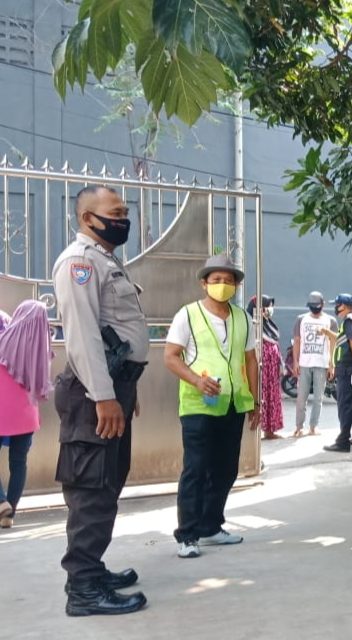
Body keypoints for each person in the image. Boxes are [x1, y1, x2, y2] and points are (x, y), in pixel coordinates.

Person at [52, 185, 148, 616]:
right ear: (88, 218)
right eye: (116, 212)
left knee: (108, 481)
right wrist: (105, 396)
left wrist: (127, 391)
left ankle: (92, 567)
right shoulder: (80, 263)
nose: (123, 219)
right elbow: (83, 335)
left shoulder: (106, 260)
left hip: (113, 387)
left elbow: (121, 333)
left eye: (125, 211)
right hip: (94, 392)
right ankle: (83, 589)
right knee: (92, 487)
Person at [164, 254, 259, 559]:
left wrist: (256, 400)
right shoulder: (187, 315)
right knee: (196, 469)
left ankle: (211, 526)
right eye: (216, 280)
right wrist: (196, 380)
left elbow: (250, 360)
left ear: (236, 285)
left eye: (228, 281)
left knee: (226, 468)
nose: (222, 285)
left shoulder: (243, 317)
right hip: (198, 406)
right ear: (204, 283)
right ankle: (187, 534)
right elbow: (170, 356)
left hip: (233, 403)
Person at [0, 300, 53, 529]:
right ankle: (9, 514)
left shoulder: (4, 341)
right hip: (26, 414)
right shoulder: (42, 348)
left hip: (2, 409)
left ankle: (1, 501)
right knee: (19, 462)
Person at [323, 293, 352, 452]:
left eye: (338, 305)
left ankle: (343, 441)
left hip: (349, 370)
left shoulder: (349, 321)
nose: (336, 308)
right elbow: (345, 340)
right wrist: (328, 333)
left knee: (345, 406)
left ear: (345, 306)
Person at [292, 291, 337, 437]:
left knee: (318, 397)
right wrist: (295, 361)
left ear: (323, 305)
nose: (315, 309)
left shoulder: (331, 321)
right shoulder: (301, 319)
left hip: (322, 362)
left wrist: (332, 364)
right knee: (301, 397)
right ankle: (299, 427)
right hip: (305, 362)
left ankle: (313, 426)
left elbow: (333, 343)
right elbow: (297, 341)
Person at [248, 295, 284, 439]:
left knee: (272, 398)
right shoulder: (252, 325)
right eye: (266, 306)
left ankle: (270, 430)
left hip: (271, 371)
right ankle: (258, 431)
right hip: (262, 370)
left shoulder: (268, 324)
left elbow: (275, 344)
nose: (270, 310)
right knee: (261, 397)